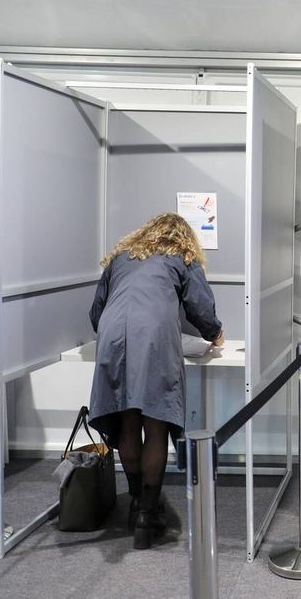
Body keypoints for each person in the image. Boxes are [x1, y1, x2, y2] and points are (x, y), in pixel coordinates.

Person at [88, 212, 225, 549]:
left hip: (112, 335)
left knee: (128, 420)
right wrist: (216, 333)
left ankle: (136, 505)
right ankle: (149, 517)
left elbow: (96, 311)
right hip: (152, 339)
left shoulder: (122, 257)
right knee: (156, 423)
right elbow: (199, 306)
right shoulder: (182, 256)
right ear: (183, 236)